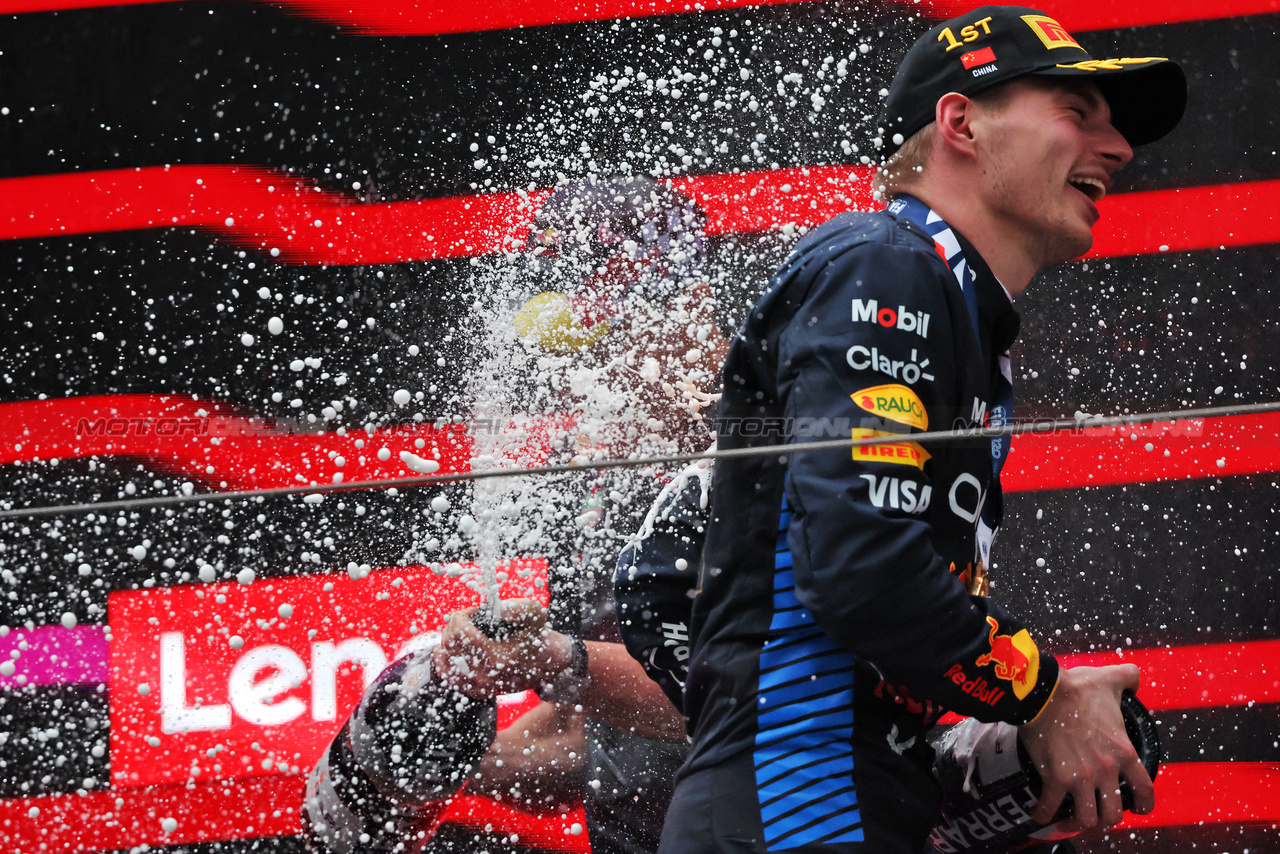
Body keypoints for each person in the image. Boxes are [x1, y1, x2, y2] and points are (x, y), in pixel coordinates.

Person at [657, 6, 1187, 853]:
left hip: (836, 795)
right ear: (961, 121)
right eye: (1076, 114)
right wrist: (1043, 695)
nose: (1118, 149)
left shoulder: (951, 303)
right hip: (803, 796)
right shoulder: (885, 263)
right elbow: (864, 567)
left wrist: (970, 756)